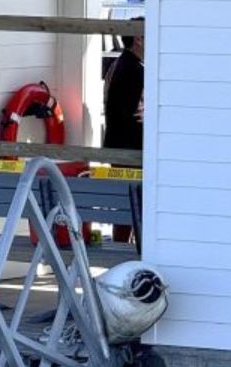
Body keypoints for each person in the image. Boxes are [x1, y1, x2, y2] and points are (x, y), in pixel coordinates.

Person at [103, 17, 144, 244]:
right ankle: (126, 254)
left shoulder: (118, 65)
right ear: (138, 39)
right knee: (133, 207)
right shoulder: (134, 71)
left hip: (116, 144)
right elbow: (134, 114)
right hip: (130, 150)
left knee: (125, 207)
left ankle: (122, 251)